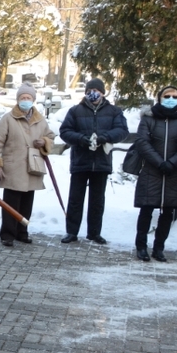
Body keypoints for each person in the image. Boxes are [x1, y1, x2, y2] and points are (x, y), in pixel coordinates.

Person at [58, 78, 128, 244]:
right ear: (85, 93)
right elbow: (65, 131)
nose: (93, 94)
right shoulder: (75, 111)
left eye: (96, 90)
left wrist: (105, 137)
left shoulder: (114, 111)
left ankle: (94, 233)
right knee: (75, 199)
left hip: (101, 162)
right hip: (80, 161)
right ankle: (71, 232)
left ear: (103, 92)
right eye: (89, 91)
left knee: (97, 201)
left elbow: (122, 130)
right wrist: (82, 139)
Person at [132, 86, 177, 262]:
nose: (170, 98)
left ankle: (159, 248)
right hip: (152, 171)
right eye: (167, 96)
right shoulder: (148, 119)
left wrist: (172, 163)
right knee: (146, 209)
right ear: (159, 98)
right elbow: (142, 142)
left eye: (174, 96)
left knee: (168, 212)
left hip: (174, 172)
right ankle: (141, 246)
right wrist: (160, 162)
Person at [0, 83, 56, 247]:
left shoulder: (40, 120)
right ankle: (7, 234)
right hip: (13, 168)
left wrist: (44, 142)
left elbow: (51, 137)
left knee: (26, 204)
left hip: (32, 168)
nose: (25, 100)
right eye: (23, 98)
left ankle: (22, 232)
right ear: (18, 99)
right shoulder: (8, 119)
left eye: (28, 98)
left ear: (33, 99)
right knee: (10, 204)